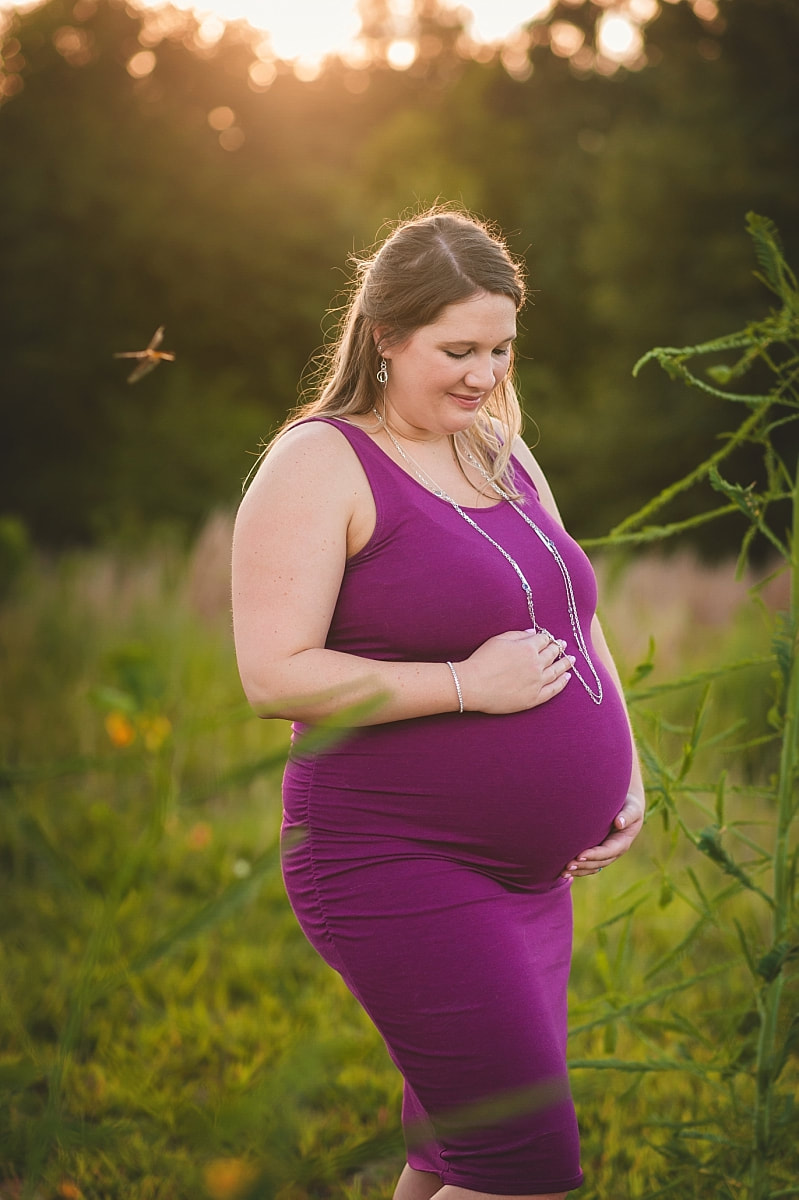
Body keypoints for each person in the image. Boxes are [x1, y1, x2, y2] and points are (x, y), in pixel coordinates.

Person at [231, 207, 645, 1200]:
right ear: (384, 334)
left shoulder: (499, 450)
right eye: (456, 349)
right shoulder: (321, 461)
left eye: (499, 348)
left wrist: (627, 770)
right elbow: (272, 673)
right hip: (394, 861)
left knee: (450, 1156)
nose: (483, 374)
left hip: (533, 881)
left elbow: (576, 620)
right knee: (523, 1169)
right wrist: (468, 685)